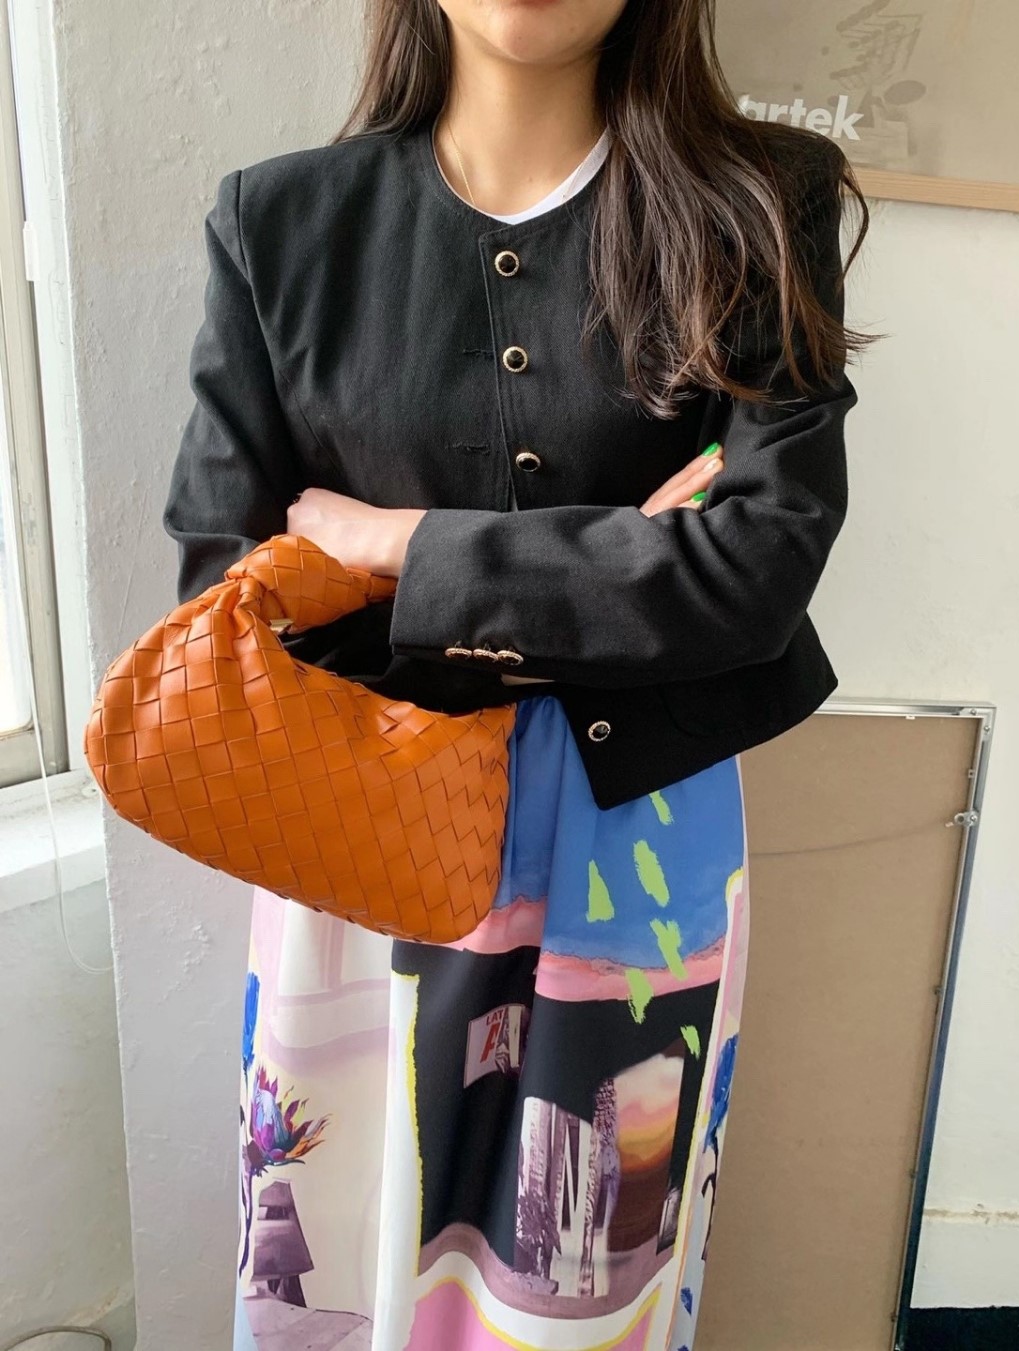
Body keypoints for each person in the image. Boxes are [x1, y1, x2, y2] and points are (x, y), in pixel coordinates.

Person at [162, 3, 873, 1347]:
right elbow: (230, 599)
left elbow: (756, 573)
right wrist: (616, 565)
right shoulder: (280, 224)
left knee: (590, 1263)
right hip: (357, 835)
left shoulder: (760, 205)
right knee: (341, 1249)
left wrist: (398, 549)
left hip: (636, 843)